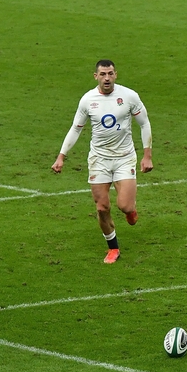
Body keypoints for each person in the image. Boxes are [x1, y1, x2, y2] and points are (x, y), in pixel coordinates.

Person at [51, 59, 153, 264]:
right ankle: (113, 248)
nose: (107, 78)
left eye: (110, 73)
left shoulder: (129, 96)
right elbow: (76, 129)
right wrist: (61, 156)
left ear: (116, 75)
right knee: (101, 207)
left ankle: (130, 210)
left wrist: (147, 155)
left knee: (124, 206)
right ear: (95, 76)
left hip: (124, 157)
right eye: (103, 74)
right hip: (99, 159)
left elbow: (144, 124)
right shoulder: (87, 100)